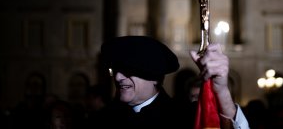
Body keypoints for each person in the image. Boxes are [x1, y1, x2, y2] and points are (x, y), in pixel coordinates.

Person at [98, 35, 249, 129]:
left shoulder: (187, 117)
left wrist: (221, 91)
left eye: (128, 71)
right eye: (115, 70)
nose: (118, 78)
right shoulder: (99, 120)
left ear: (155, 78)